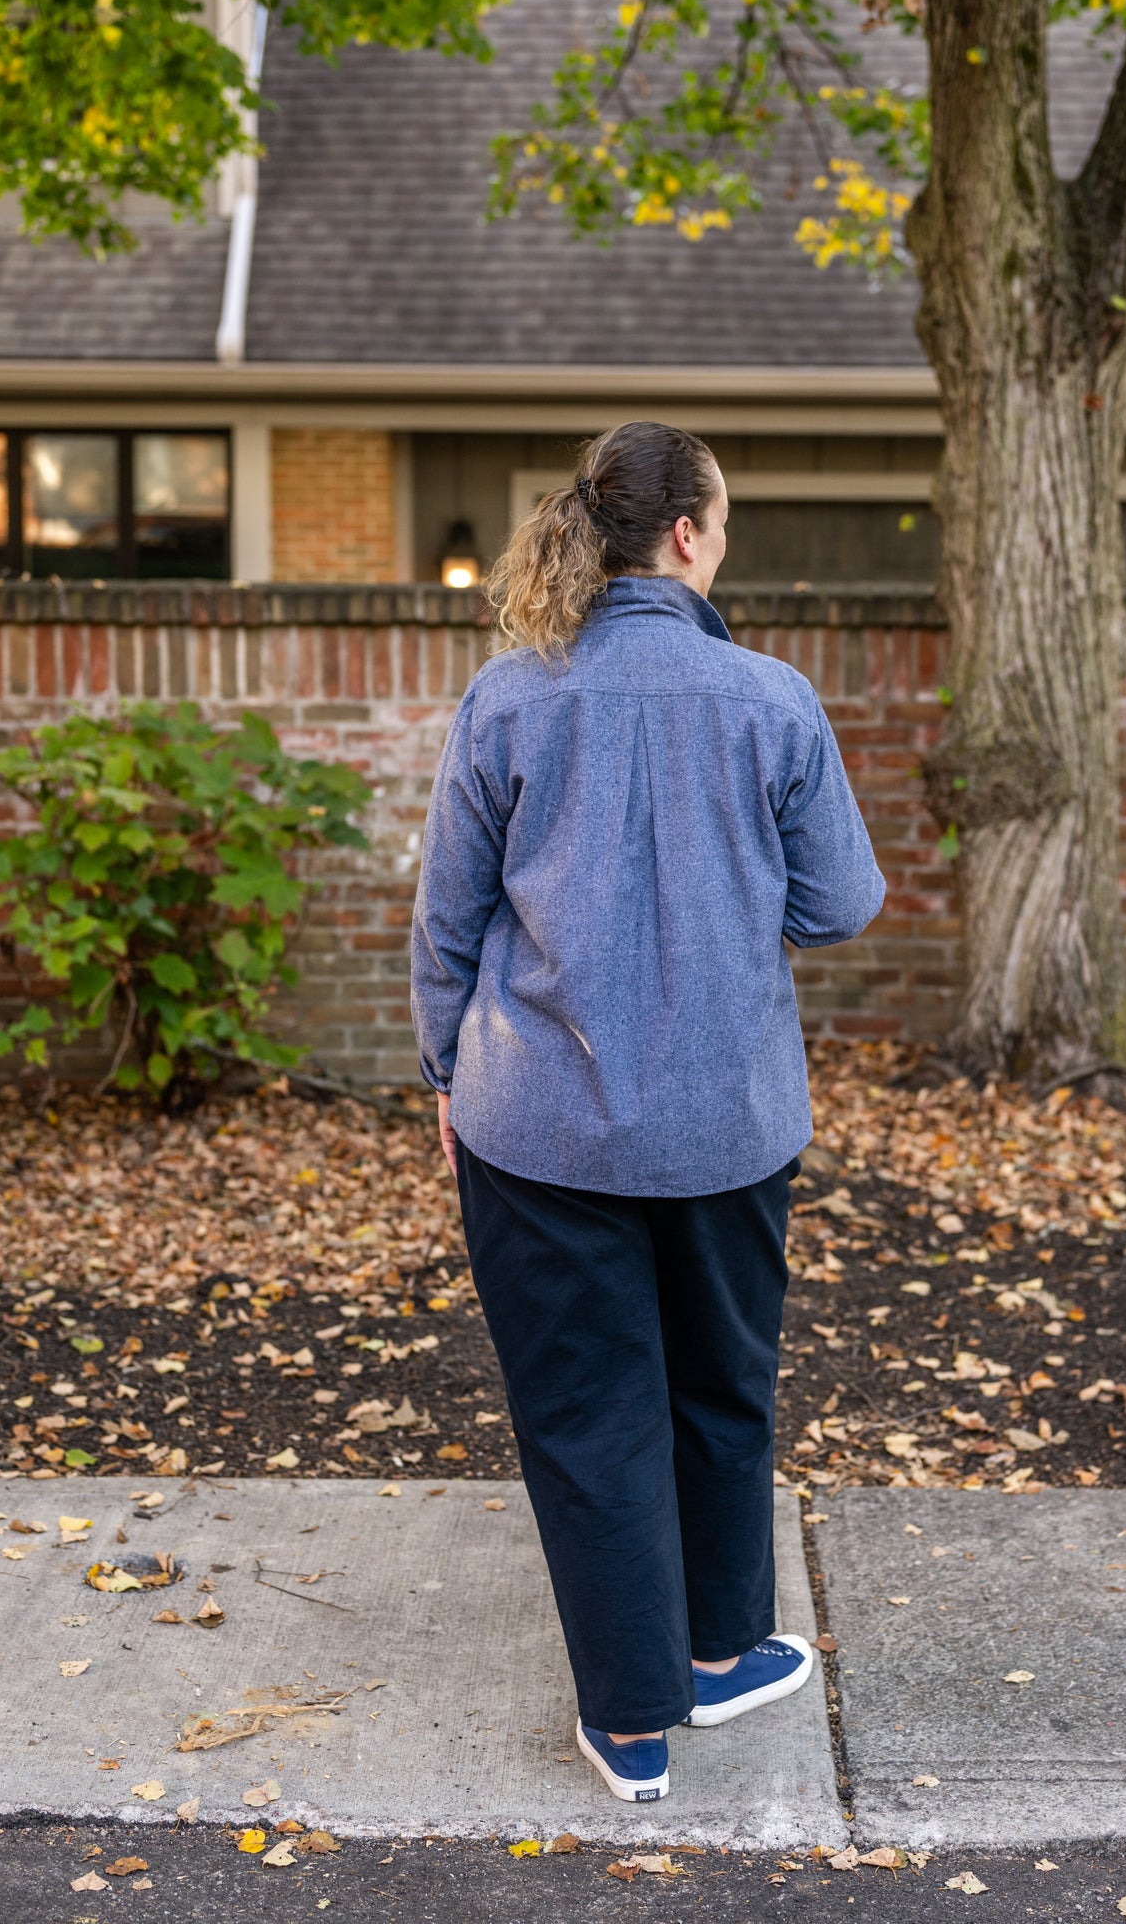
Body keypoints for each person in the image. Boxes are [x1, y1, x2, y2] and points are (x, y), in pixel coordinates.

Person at [410, 421, 884, 1804]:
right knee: (718, 1391)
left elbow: (448, 921)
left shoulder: (505, 699)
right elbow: (841, 903)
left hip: (534, 1126)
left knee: (585, 1410)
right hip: (726, 1124)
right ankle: (721, 1651)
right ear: (685, 538)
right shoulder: (772, 699)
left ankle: (632, 1724)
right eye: (721, 521)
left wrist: (448, 1073)